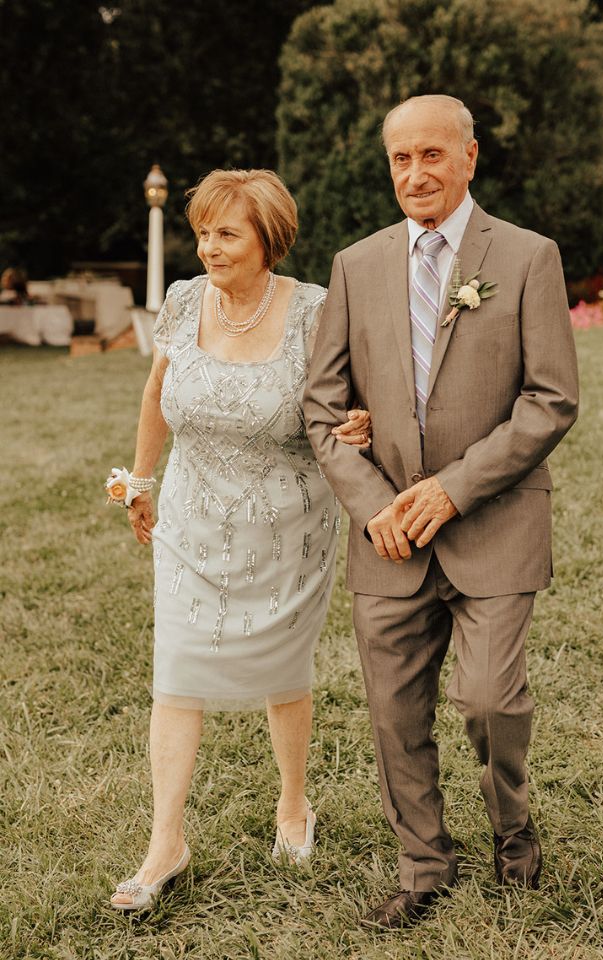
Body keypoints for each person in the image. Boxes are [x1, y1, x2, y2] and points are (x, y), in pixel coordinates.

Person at [304, 94, 579, 929]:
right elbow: (322, 408)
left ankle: (513, 833)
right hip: (387, 537)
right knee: (395, 714)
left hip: (492, 522)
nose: (414, 173)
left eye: (431, 155)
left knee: (490, 701)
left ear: (469, 157)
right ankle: (423, 866)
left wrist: (453, 488)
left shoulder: (528, 257)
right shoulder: (356, 265)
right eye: (399, 159)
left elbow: (550, 399)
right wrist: (373, 503)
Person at [106, 169, 372, 912]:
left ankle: (294, 806)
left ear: (268, 239)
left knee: (284, 670)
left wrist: (359, 424)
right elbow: (159, 391)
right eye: (203, 233)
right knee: (177, 668)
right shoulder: (184, 300)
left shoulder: (316, 311)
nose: (209, 248)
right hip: (191, 516)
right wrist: (142, 480)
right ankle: (166, 841)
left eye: (227, 234)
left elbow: (347, 407)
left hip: (288, 522)